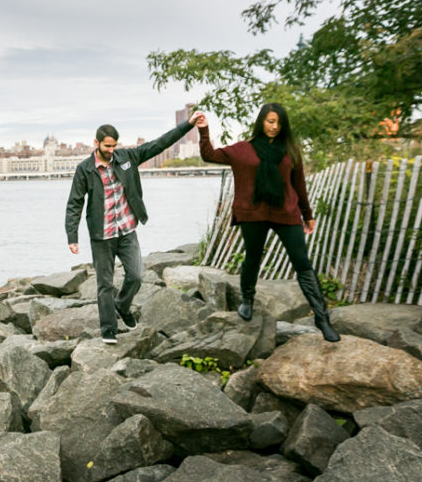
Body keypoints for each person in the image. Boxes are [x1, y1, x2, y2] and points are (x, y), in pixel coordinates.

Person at [195, 103, 340, 342]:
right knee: (252, 258)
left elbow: (299, 184)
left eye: (279, 123)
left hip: (286, 212)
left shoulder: (290, 150)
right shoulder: (243, 150)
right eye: (270, 121)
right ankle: (247, 301)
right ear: (261, 121)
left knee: (302, 263)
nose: (274, 126)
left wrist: (308, 215)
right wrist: (203, 129)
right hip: (253, 213)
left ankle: (322, 319)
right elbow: (208, 154)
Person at [65, 113, 201, 344]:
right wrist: (72, 236)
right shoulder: (85, 169)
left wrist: (188, 125)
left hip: (127, 230)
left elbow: (160, 143)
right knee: (105, 284)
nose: (111, 150)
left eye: (114, 145)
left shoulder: (127, 157)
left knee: (136, 275)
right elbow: (75, 202)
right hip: (102, 235)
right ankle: (109, 329)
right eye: (107, 146)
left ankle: (122, 305)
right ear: (96, 143)